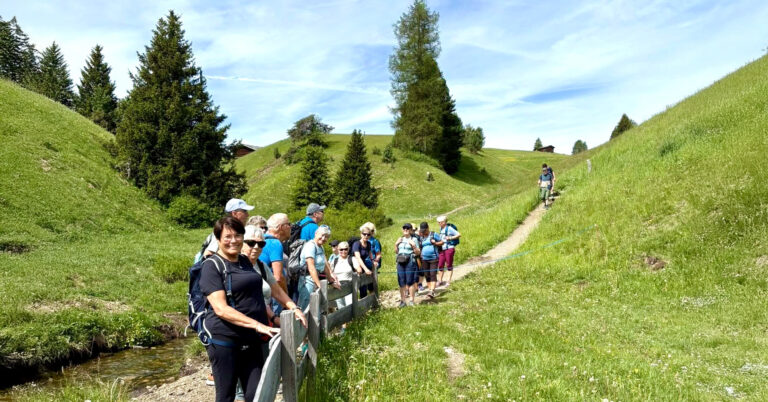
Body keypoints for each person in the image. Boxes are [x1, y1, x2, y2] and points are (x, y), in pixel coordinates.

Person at [199, 217, 306, 402]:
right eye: (228, 236)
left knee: (256, 394)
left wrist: (292, 306)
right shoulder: (211, 266)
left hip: (252, 340)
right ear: (218, 239)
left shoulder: (244, 261)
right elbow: (221, 309)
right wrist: (258, 325)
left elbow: (273, 289)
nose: (234, 240)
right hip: (225, 340)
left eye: (238, 235)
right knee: (226, 396)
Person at [259, 213, 293, 322]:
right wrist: (287, 300)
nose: (291, 227)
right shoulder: (274, 243)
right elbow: (278, 278)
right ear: (281, 227)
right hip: (269, 295)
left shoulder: (261, 240)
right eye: (289, 224)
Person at [298, 226, 340, 310]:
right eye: (322, 235)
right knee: (305, 307)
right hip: (307, 281)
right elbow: (311, 267)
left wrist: (331, 281)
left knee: (315, 308)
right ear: (316, 233)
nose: (324, 238)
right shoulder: (310, 246)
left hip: (315, 279)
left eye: (326, 237)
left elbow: (324, 266)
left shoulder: (320, 247)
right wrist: (320, 286)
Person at [395, 223, 420, 307]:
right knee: (401, 281)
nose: (406, 230)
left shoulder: (414, 239)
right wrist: (396, 244)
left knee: (410, 281)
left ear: (410, 230)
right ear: (402, 229)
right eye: (404, 228)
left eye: (408, 228)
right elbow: (396, 251)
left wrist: (413, 246)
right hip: (400, 261)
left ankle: (411, 301)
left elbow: (418, 252)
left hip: (410, 261)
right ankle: (403, 301)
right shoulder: (400, 239)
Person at [417, 222, 443, 299]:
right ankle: (429, 290)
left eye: (424, 230)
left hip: (434, 258)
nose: (423, 232)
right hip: (424, 259)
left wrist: (435, 243)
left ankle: (432, 290)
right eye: (422, 231)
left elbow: (442, 242)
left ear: (428, 228)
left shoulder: (433, 234)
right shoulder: (422, 237)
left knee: (432, 274)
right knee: (427, 274)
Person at [436, 215, 460, 287]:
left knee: (449, 264)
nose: (438, 223)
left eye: (440, 222)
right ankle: (440, 280)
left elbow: (459, 234)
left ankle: (448, 281)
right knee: (440, 264)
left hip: (449, 248)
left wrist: (450, 238)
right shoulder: (441, 228)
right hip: (442, 249)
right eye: (438, 222)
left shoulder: (449, 228)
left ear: (444, 222)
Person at [351, 225, 375, 298]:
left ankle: (372, 300)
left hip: (363, 263)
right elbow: (358, 257)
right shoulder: (356, 244)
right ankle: (362, 304)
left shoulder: (368, 244)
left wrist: (373, 261)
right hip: (355, 265)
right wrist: (365, 269)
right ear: (361, 234)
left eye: (368, 234)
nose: (366, 236)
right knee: (362, 286)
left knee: (370, 281)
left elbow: (370, 252)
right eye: (364, 234)